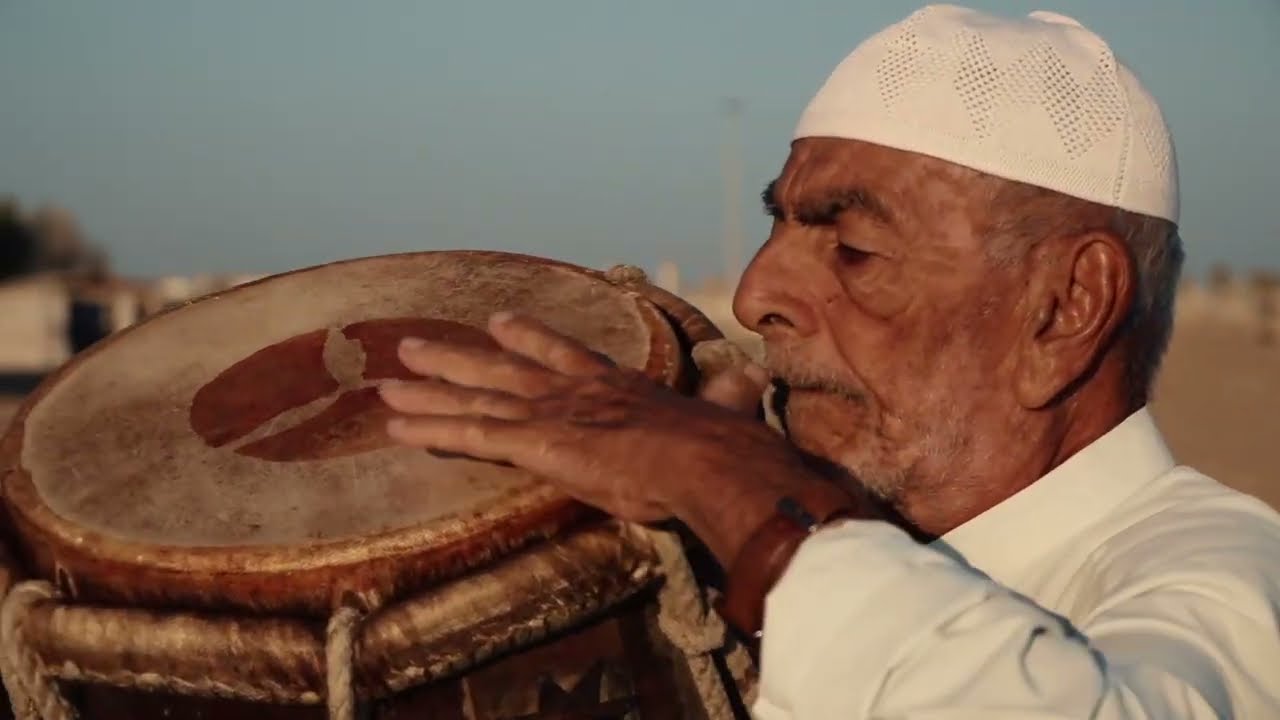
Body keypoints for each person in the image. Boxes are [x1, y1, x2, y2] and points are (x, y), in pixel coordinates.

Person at [380, 5, 1280, 718]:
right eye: (776, 226)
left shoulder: (1232, 585)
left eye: (853, 248)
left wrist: (736, 488)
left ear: (1066, 307)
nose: (754, 294)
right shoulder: (814, 553)